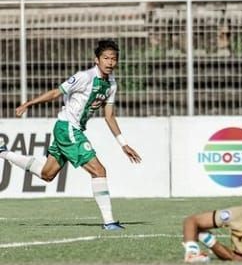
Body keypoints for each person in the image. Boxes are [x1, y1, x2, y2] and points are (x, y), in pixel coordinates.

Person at [0, 39, 141, 230]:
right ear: (96, 60)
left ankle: (4, 153)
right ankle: (109, 221)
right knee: (99, 171)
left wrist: (123, 144)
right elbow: (56, 93)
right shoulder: (84, 77)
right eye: (106, 58)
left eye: (113, 59)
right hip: (68, 128)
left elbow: (109, 116)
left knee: (47, 174)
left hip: (70, 130)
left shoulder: (112, 84)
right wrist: (28, 104)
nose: (110, 62)